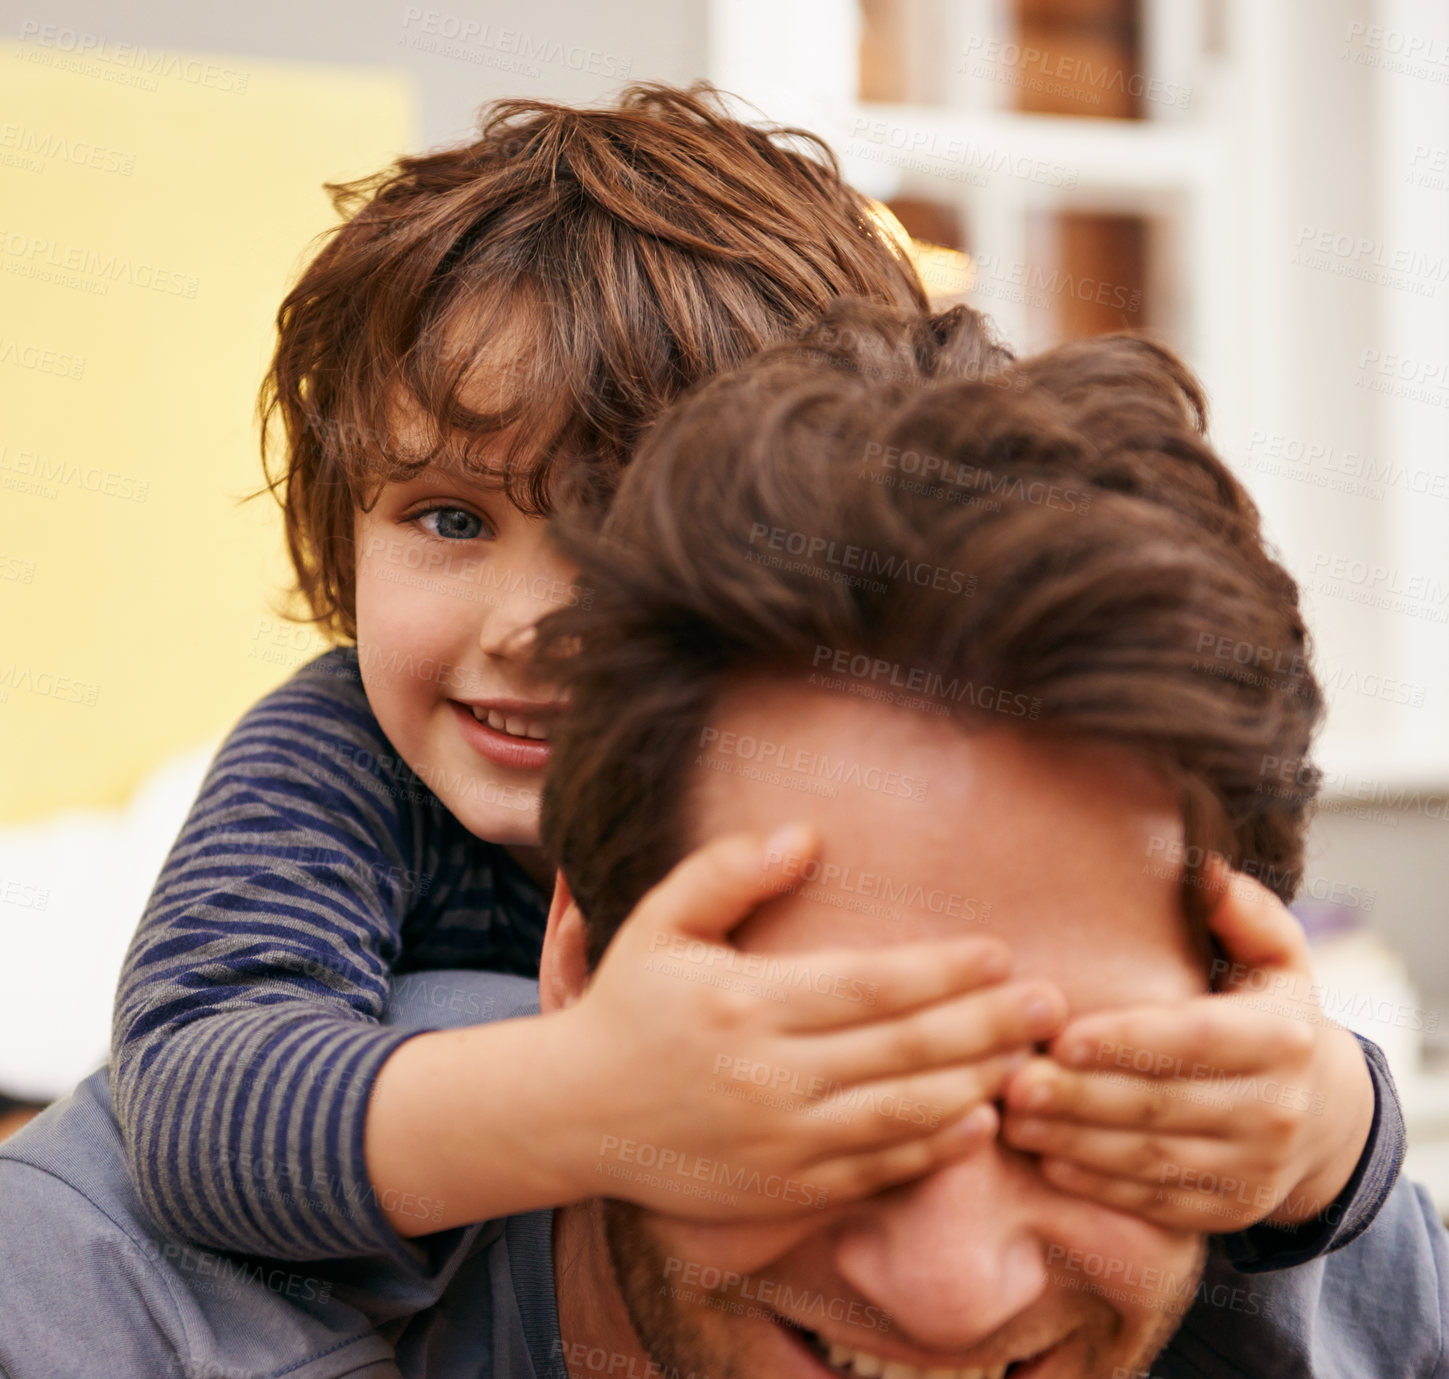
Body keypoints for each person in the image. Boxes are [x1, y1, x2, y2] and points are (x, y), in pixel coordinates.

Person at [0, 301, 1437, 1378]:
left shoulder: (1269, 1197)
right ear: (573, 960)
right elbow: (202, 1100)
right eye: (820, 1083)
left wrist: (1330, 1125)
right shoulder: (99, 1295)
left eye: (1078, 1108)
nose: (955, 1295)